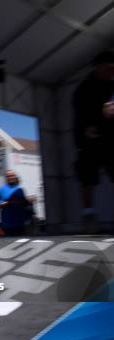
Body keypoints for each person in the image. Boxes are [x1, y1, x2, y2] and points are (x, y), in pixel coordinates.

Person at [73, 50, 114, 226]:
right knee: (87, 178)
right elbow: (80, 111)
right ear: (98, 67)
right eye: (108, 68)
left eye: (113, 68)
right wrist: (99, 114)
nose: (111, 71)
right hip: (89, 140)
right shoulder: (84, 88)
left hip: (110, 140)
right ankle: (88, 215)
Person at [0, 170, 32, 236]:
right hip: (7, 225)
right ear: (6, 178)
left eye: (12, 176)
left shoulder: (19, 189)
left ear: (15, 177)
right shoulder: (1, 190)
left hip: (20, 224)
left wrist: (28, 200)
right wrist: (7, 203)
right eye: (8, 176)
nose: (10, 177)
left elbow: (24, 203)